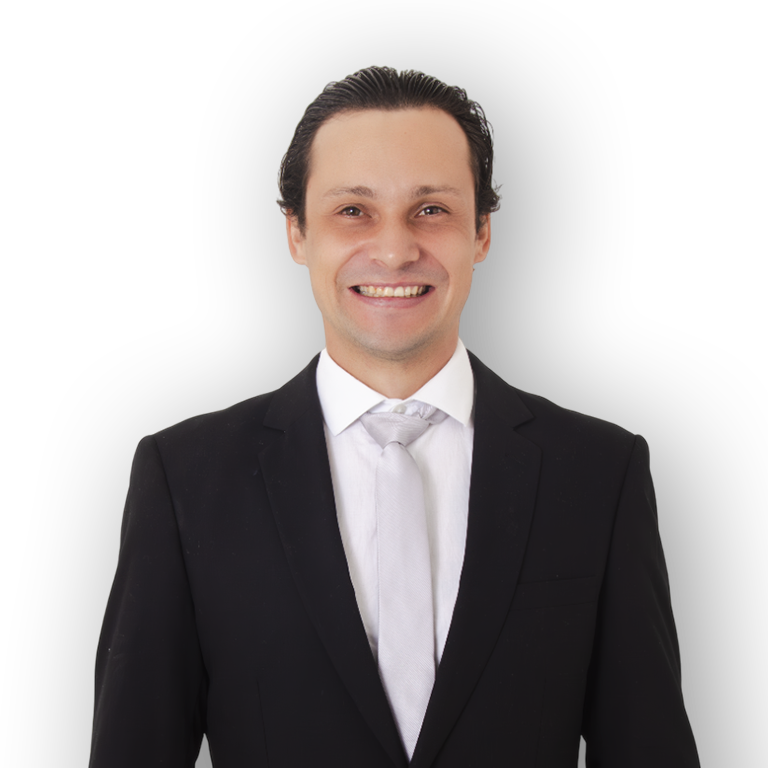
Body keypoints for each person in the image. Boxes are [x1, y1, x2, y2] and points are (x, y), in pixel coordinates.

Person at [90, 66, 698, 767]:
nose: (394, 250)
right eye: (353, 210)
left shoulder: (599, 471)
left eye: (431, 209)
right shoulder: (184, 477)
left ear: (482, 232)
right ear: (296, 234)